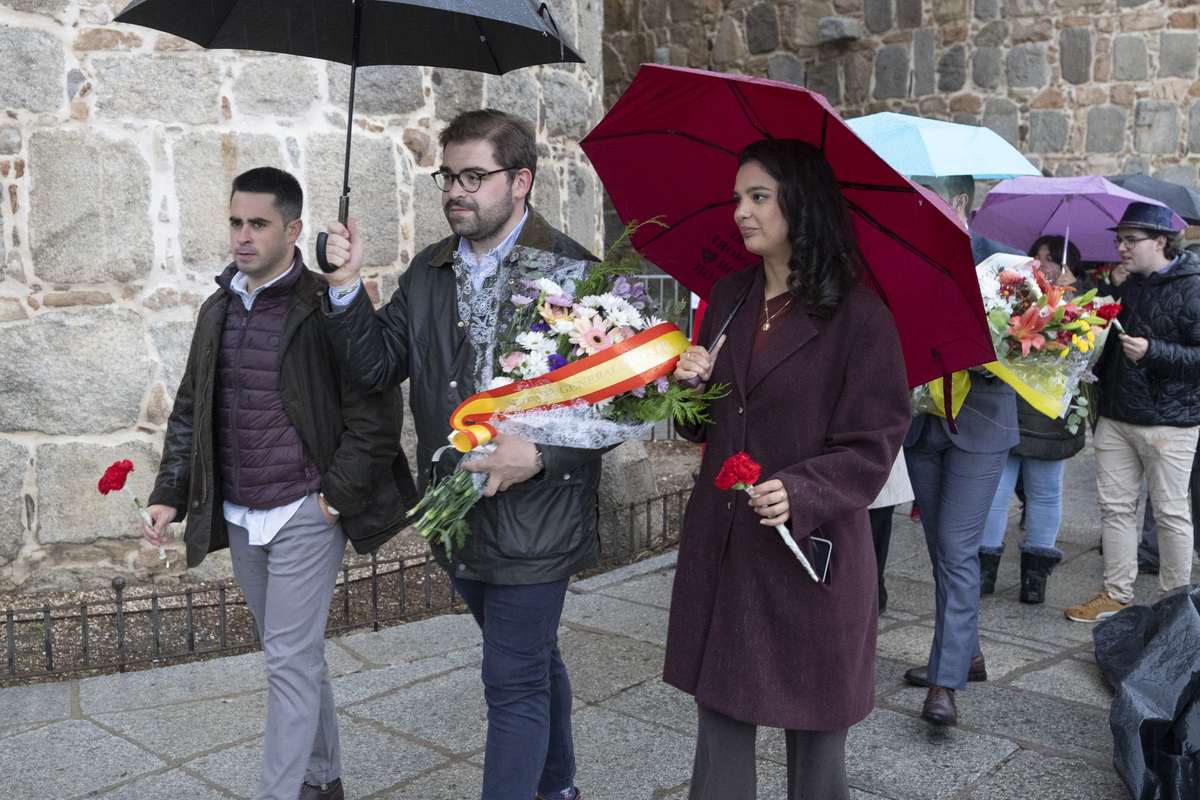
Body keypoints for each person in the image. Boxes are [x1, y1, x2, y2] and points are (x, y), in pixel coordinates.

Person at [318, 109, 595, 800]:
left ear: (521, 181)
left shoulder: (569, 270)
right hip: (456, 517)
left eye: (474, 176)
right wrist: (348, 286)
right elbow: (377, 366)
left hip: (538, 519)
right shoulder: (430, 269)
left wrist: (539, 456)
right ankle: (558, 785)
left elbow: (612, 408)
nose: (455, 192)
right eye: (449, 176)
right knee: (530, 662)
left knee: (511, 681)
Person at [140, 167, 410, 800]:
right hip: (240, 511)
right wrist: (168, 494)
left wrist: (334, 498)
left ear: (292, 229)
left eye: (258, 224)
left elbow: (374, 413)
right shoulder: (217, 308)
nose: (242, 236)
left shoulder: (325, 306)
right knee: (294, 656)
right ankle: (323, 780)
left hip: (305, 511)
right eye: (236, 222)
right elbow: (191, 409)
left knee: (287, 660)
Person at [666, 138, 910, 800]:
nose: (740, 211)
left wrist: (800, 490)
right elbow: (701, 425)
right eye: (738, 197)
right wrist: (688, 387)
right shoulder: (728, 296)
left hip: (810, 553)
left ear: (798, 205)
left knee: (817, 738)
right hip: (726, 549)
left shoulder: (861, 317)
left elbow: (874, 440)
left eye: (758, 197)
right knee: (720, 725)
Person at [901, 175, 1020, 726]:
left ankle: (944, 685)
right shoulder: (901, 258)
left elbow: (1027, 351)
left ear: (959, 203)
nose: (914, 206)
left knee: (956, 547)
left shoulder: (1003, 267)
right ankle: (965, 654)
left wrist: (986, 349)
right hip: (922, 427)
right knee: (942, 551)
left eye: (923, 196)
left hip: (981, 424)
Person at [1065, 202, 1200, 622]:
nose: (1121, 248)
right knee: (1116, 509)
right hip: (1117, 416)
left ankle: (1177, 606)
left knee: (1171, 513)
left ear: (1160, 241)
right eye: (1118, 240)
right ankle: (1116, 593)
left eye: (1130, 240)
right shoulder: (1128, 284)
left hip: (1169, 424)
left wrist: (1154, 352)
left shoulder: (1194, 286)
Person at [978, 237, 1089, 604]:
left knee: (1043, 493)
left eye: (1051, 258)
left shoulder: (1078, 303)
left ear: (1069, 264)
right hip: (1022, 412)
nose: (1041, 262)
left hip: (1045, 415)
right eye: (1037, 255)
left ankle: (1030, 581)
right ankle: (990, 573)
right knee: (997, 491)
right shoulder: (1021, 294)